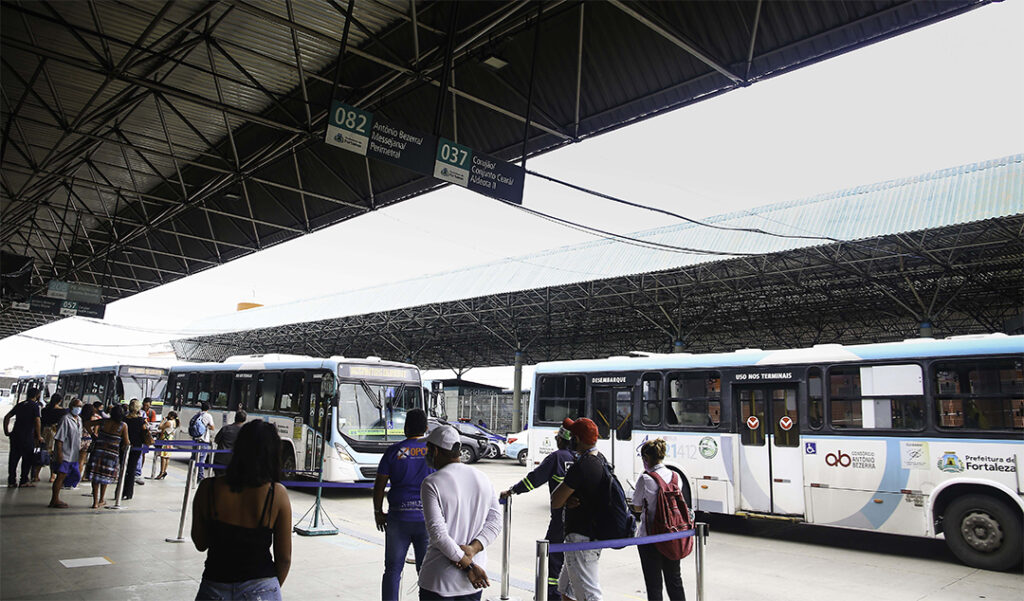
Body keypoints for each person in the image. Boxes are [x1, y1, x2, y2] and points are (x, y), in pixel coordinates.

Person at [191, 420, 292, 601]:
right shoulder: (277, 494)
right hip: (262, 586)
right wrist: (270, 590)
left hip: (214, 585)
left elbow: (200, 543)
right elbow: (284, 558)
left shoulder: (208, 488)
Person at [418, 425, 501, 601]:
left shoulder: (431, 483)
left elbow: (438, 535)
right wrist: (473, 549)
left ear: (435, 451)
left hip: (439, 581)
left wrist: (467, 565)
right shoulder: (483, 479)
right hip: (472, 583)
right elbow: (495, 523)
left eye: (427, 449)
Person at [500, 423, 576, 600]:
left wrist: (512, 490)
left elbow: (533, 480)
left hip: (561, 521)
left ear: (561, 440)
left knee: (553, 561)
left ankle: (550, 596)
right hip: (582, 525)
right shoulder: (582, 458)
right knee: (575, 563)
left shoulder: (557, 458)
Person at [374, 408, 433, 601]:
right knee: (426, 571)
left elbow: (379, 484)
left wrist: (378, 511)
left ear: (405, 428)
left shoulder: (393, 451)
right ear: (425, 428)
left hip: (398, 518)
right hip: (427, 520)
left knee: (392, 569)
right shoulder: (434, 452)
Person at [551, 417, 605, 601]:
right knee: (566, 590)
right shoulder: (600, 460)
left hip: (581, 540)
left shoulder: (582, 466)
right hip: (594, 534)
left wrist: (565, 500)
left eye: (573, 435)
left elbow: (555, 500)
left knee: (589, 595)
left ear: (578, 439)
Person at [632, 439, 686, 601]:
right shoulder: (676, 477)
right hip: (672, 535)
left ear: (646, 458)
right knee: (675, 580)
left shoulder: (645, 479)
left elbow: (637, 507)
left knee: (654, 585)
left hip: (649, 538)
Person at [84, 404, 130, 509]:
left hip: (98, 451)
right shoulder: (123, 426)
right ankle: (101, 499)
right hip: (111, 454)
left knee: (95, 477)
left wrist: (92, 435)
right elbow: (127, 442)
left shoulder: (103, 422)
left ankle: (95, 502)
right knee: (105, 476)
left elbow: (87, 424)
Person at [4, 386, 42, 488]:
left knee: (13, 459)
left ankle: (11, 481)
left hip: (15, 435)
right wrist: (39, 436)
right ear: (37, 395)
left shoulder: (20, 405)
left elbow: (7, 417)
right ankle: (24, 480)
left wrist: (6, 431)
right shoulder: (35, 406)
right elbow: (37, 421)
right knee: (27, 459)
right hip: (27, 437)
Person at [49, 398, 84, 508]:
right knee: (60, 476)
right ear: (71, 407)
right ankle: (54, 499)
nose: (78, 409)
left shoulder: (79, 420)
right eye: (77, 406)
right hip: (65, 454)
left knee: (73, 476)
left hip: (74, 454)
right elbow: (59, 439)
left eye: (80, 406)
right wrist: (59, 454)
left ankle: (56, 498)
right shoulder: (65, 419)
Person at [121, 400, 151, 500]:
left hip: (123, 446)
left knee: (123, 469)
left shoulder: (124, 419)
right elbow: (145, 432)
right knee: (132, 470)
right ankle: (128, 493)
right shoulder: (141, 421)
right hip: (136, 447)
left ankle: (120, 490)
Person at [39, 393, 66, 483]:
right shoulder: (62, 412)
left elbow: (40, 422)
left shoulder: (45, 410)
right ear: (60, 401)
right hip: (55, 432)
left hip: (45, 432)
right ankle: (52, 476)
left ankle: (35, 475)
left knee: (42, 452)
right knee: (53, 455)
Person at [213, 410, 247, 476]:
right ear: (244, 420)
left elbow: (216, 440)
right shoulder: (246, 431)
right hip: (236, 461)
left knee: (219, 481)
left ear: (235, 418)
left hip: (220, 459)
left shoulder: (225, 428)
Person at [193, 402, 216, 481]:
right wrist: (207, 426)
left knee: (194, 458)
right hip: (203, 440)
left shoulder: (197, 414)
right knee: (202, 459)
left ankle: (193, 474)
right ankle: (200, 476)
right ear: (208, 408)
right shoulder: (208, 416)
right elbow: (212, 427)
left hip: (195, 439)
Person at [156, 411, 179, 479]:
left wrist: (163, 421)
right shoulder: (175, 422)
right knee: (167, 457)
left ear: (171, 416)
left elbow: (160, 427)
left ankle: (162, 472)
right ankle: (164, 471)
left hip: (165, 440)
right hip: (170, 439)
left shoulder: (169, 422)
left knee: (163, 457)